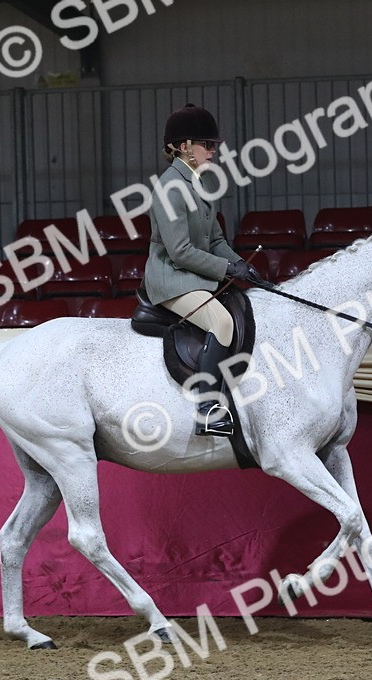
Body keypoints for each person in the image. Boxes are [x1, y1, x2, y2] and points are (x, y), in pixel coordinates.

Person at [143, 103, 252, 438]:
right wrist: (226, 268)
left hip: (194, 273)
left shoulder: (200, 183)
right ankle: (206, 410)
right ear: (184, 146)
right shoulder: (169, 188)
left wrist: (240, 264)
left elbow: (215, 240)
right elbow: (179, 251)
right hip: (171, 277)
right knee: (222, 322)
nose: (213, 150)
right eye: (207, 144)